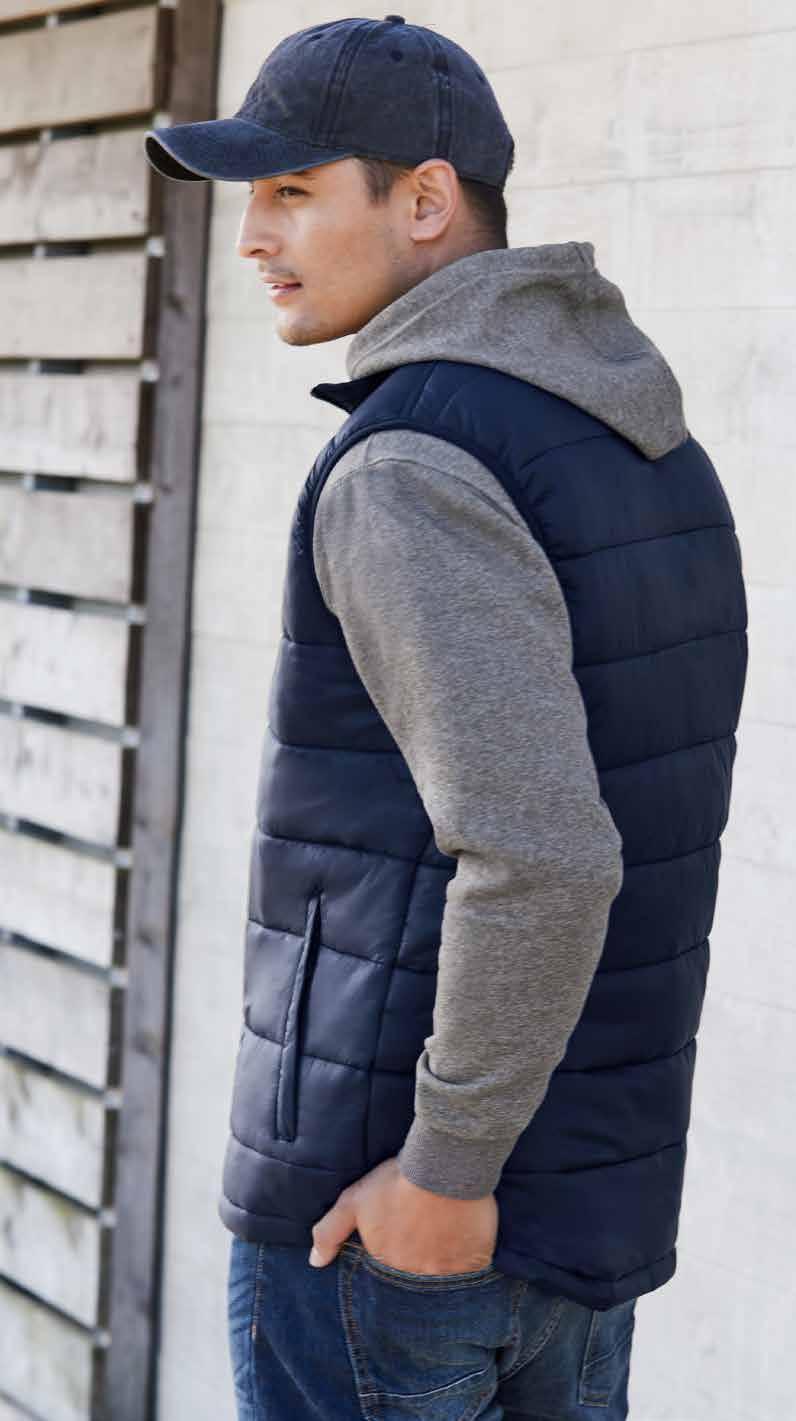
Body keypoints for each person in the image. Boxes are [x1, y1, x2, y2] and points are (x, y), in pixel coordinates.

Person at [145, 15, 748, 1420]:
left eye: (292, 189)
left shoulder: (409, 463)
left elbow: (545, 855)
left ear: (423, 200)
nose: (254, 236)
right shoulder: (644, 447)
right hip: (579, 1214)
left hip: (395, 1219)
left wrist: (443, 1171)